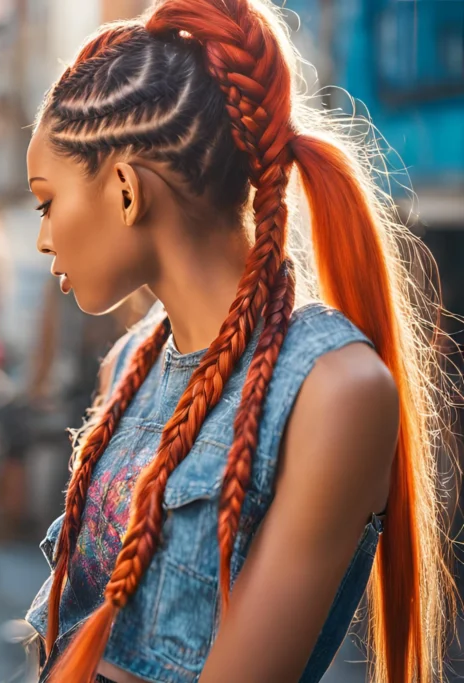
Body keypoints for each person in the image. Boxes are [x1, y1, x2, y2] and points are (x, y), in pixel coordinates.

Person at [23, 2, 452, 683]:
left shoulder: (331, 390)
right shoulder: (128, 363)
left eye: (47, 202)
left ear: (128, 192)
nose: (43, 237)